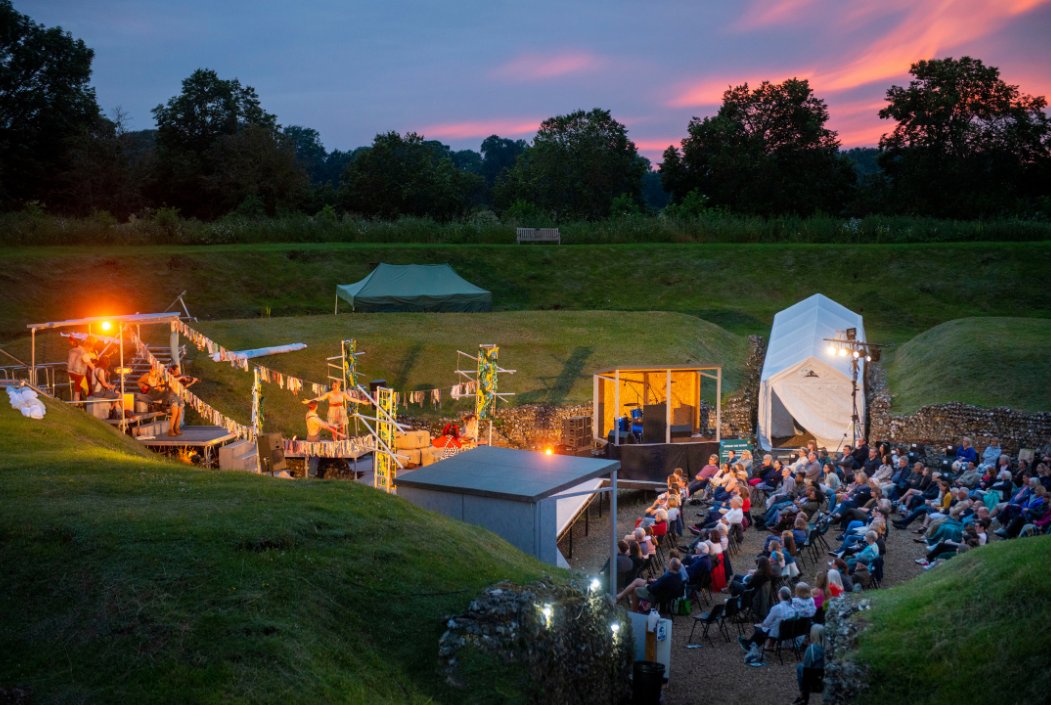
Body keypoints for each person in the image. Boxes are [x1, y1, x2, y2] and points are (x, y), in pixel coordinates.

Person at [739, 586, 797, 663]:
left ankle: (750, 646)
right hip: (789, 633)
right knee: (764, 628)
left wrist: (761, 625)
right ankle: (753, 645)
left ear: (780, 595)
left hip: (778, 633)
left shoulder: (777, 608)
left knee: (759, 629)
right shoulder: (793, 607)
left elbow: (766, 623)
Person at [617, 557, 684, 612]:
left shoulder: (668, 577)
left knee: (635, 590)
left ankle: (634, 611)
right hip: (661, 591)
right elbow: (661, 583)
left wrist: (648, 585)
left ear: (672, 566)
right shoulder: (678, 575)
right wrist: (654, 581)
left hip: (656, 595)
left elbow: (653, 589)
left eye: (670, 562)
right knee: (637, 581)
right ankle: (621, 596)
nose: (668, 563)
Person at [304, 400, 345, 477]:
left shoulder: (308, 414)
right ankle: (311, 474)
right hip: (314, 438)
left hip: (310, 436)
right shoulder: (314, 418)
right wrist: (338, 432)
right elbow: (325, 426)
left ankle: (311, 473)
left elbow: (322, 423)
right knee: (315, 457)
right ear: (315, 407)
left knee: (312, 456)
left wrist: (333, 425)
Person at [794, 623, 826, 705]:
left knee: (800, 667)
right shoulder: (828, 648)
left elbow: (807, 667)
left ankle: (803, 695)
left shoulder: (811, 649)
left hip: (814, 680)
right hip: (826, 677)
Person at [166, 365, 199, 437]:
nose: (179, 371)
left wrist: (193, 381)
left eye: (179, 370)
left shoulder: (180, 378)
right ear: (173, 370)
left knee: (179, 414)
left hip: (180, 396)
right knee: (174, 414)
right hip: (173, 396)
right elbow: (173, 382)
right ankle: (170, 430)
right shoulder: (170, 377)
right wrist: (181, 377)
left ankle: (177, 429)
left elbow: (184, 387)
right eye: (177, 370)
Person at [66, 336, 96, 403]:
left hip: (70, 372)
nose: (90, 351)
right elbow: (92, 367)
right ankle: (76, 404)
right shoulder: (84, 354)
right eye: (90, 349)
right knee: (78, 391)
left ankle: (79, 401)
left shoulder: (75, 349)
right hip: (78, 374)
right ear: (88, 347)